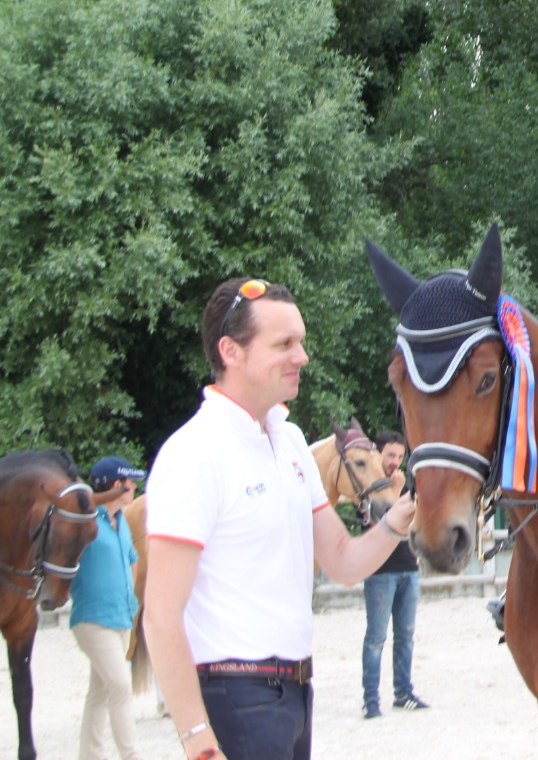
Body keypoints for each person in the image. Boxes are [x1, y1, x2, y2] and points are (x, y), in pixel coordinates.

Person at [143, 277, 418, 760]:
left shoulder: (289, 441)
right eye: (284, 344)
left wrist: (403, 514)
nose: (302, 356)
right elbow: (161, 615)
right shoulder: (193, 453)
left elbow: (342, 561)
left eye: (302, 342)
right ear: (231, 351)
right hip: (234, 697)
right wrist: (197, 741)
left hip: (294, 694)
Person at [70, 455, 147, 760]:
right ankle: (132, 756)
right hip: (92, 618)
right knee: (120, 688)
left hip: (121, 617)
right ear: (117, 486)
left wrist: (131, 606)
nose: (134, 488)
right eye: (130, 483)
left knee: (100, 693)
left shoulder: (122, 523)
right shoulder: (85, 521)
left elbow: (132, 561)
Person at [361, 430, 427, 718]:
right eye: (390, 455)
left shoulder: (408, 483)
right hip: (380, 571)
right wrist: (396, 491)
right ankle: (371, 699)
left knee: (406, 635)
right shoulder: (368, 486)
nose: (395, 462)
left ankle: (403, 692)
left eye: (400, 457)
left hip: (409, 568)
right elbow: (381, 521)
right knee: (376, 638)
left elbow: (416, 518)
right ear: (379, 454)